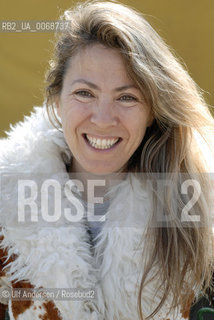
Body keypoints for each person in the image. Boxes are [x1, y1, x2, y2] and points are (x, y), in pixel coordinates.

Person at [0, 1, 213, 319]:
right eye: (85, 93)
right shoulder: (6, 201)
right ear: (56, 101)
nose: (103, 119)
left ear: (153, 111)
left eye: (127, 97)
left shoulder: (203, 214)